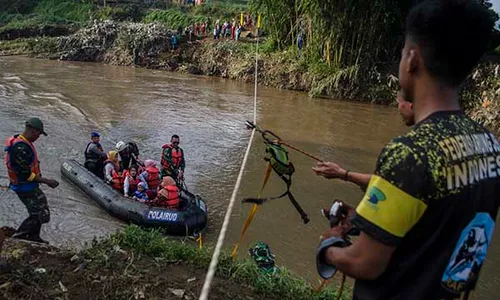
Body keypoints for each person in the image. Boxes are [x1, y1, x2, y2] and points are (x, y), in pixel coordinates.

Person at [315, 1, 500, 299]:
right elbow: (434, 229)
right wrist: (367, 222)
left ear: (411, 59)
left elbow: (364, 262)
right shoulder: (490, 146)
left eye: (403, 51)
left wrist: (328, 248)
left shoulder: (409, 152)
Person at [313, 90, 414, 191]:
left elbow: (385, 183)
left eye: (399, 102)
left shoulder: (407, 146)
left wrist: (341, 173)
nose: (398, 108)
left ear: (411, 104)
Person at [4, 118, 59, 244]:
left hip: (28, 184)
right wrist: (46, 181)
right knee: (38, 213)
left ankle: (34, 236)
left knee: (41, 209)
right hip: (24, 186)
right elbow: (24, 174)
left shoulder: (23, 142)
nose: (38, 137)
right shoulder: (20, 147)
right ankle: (19, 236)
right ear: (33, 131)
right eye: (38, 134)